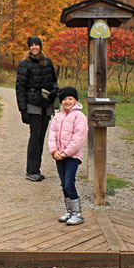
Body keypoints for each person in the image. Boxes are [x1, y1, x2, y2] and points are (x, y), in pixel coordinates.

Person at [15, 36, 58, 181]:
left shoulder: (48, 62)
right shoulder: (24, 64)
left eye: (36, 45)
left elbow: (54, 81)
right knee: (34, 137)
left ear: (40, 46)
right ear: (29, 47)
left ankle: (36, 169)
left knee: (40, 138)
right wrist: (23, 110)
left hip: (46, 105)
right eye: (31, 45)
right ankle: (31, 170)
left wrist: (54, 91)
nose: (34, 47)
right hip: (32, 105)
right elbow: (20, 88)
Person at [48, 86, 88, 225]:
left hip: (72, 156)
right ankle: (70, 211)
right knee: (64, 184)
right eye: (64, 99)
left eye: (70, 98)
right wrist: (54, 151)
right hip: (59, 155)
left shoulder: (79, 117)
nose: (67, 101)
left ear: (76, 100)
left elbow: (78, 138)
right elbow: (52, 134)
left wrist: (66, 153)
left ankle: (78, 213)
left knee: (69, 183)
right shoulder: (58, 116)